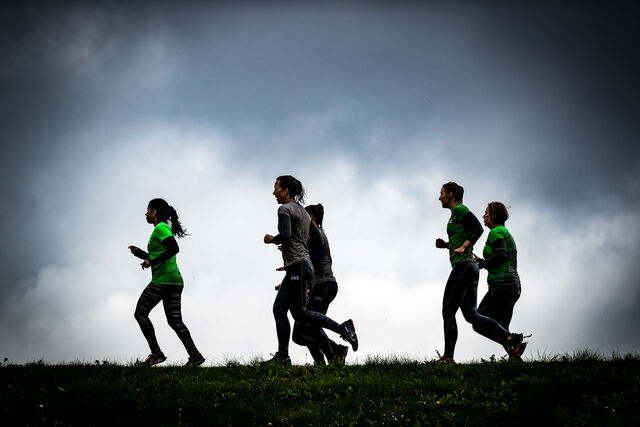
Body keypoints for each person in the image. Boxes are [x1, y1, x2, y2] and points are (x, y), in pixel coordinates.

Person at [263, 176, 358, 365]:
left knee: (297, 313)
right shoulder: (303, 213)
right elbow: (318, 240)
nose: (274, 192)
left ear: (287, 191)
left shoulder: (284, 209)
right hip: (301, 266)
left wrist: (271, 239)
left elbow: (286, 235)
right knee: (280, 309)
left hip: (299, 266)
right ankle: (284, 356)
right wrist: (304, 251)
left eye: (276, 188)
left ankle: (342, 329)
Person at [435, 182, 525, 363]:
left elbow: (477, 228)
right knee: (472, 315)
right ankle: (509, 339)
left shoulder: (460, 210)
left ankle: (448, 358)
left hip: (464, 266)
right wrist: (447, 245)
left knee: (448, 311)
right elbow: (465, 235)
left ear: (451, 194)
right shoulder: (455, 216)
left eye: (442, 193)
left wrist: (464, 246)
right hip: (469, 267)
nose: (440, 197)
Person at [128, 198, 205, 367]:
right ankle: (195, 355)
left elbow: (174, 249)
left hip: (163, 281)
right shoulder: (162, 229)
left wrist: (151, 263)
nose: (146, 213)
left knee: (140, 313)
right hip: (175, 282)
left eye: (148, 210)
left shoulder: (161, 228)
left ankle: (156, 353)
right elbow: (160, 255)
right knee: (175, 320)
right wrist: (141, 254)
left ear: (154, 212)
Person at [291, 204, 350, 365]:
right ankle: (331, 356)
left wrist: (299, 270)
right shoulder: (312, 238)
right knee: (299, 334)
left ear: (312, 218)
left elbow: (314, 263)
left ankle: (335, 352)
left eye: (304, 218)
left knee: (311, 327)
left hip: (324, 285)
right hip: (320, 286)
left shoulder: (318, 237)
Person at [474, 201, 526, 357]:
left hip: (502, 285)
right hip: (513, 287)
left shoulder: (495, 232)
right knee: (502, 327)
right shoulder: (505, 232)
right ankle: (515, 357)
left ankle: (514, 339)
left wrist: (482, 264)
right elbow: (502, 257)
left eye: (486, 213)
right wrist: (484, 262)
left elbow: (501, 253)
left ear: (494, 215)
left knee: (477, 320)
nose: (483, 215)